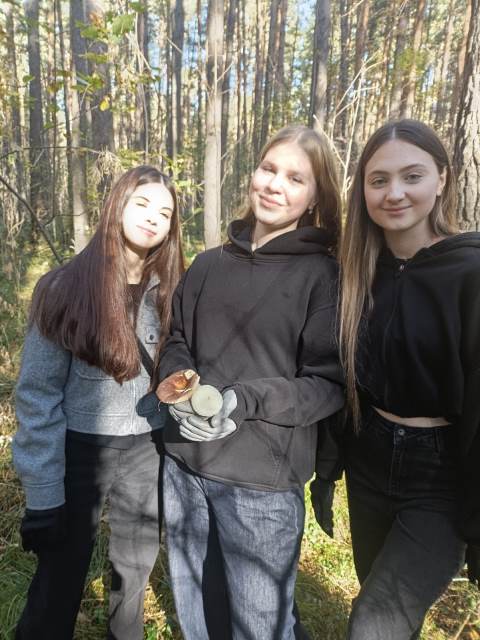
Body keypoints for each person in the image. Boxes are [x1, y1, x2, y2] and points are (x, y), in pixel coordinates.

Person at [158, 124, 345, 640]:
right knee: (198, 615)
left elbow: (327, 384)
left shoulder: (324, 277)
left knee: (259, 627)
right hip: (184, 467)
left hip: (261, 485)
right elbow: (177, 338)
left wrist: (241, 400)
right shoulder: (208, 265)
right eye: (268, 169)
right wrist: (179, 384)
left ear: (315, 197)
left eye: (295, 178)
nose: (274, 185)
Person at [13, 165, 184, 640]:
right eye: (142, 204)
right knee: (60, 574)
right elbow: (38, 395)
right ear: (117, 205)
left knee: (134, 570)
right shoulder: (64, 287)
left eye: (165, 213)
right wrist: (43, 495)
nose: (153, 218)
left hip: (149, 448)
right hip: (80, 449)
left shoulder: (175, 291)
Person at [338, 119, 480, 639]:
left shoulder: (470, 270)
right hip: (369, 461)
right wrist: (330, 466)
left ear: (442, 178)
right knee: (383, 606)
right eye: (379, 180)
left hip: (442, 475)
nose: (394, 193)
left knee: (373, 624)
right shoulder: (357, 269)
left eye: (412, 176)